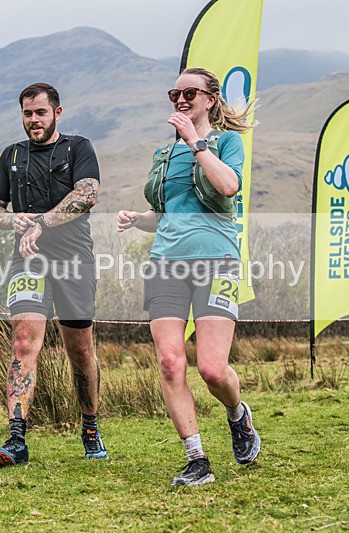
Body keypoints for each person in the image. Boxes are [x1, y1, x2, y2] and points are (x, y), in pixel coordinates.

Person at [116, 67, 261, 486]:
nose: (180, 99)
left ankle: (237, 414)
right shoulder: (164, 153)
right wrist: (138, 219)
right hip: (166, 264)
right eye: (174, 94)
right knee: (169, 362)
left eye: (189, 93)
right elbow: (165, 215)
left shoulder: (226, 143)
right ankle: (196, 459)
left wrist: (195, 142)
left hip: (217, 261)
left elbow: (228, 186)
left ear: (210, 99)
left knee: (212, 369)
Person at [0, 82, 107, 466]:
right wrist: (11, 219)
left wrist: (42, 222)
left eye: (40, 112)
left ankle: (90, 427)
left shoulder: (78, 148)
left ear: (57, 112)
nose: (33, 120)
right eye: (27, 114)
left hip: (74, 260)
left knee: (80, 351)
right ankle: (16, 439)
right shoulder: (12, 155)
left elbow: (87, 195)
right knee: (23, 344)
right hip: (27, 260)